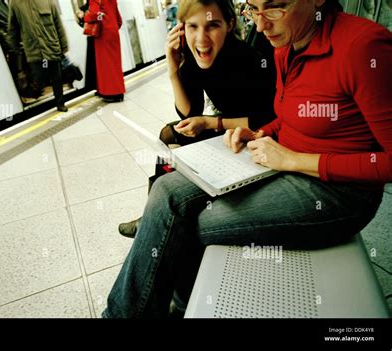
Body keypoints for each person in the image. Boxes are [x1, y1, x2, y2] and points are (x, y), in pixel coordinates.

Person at [103, 0, 392, 318]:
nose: (260, 24)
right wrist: (261, 133)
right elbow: (287, 118)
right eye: (252, 9)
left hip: (336, 193)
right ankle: (174, 307)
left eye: (275, 7)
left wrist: (294, 160)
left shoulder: (364, 47)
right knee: (166, 190)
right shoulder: (287, 42)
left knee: (182, 224)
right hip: (279, 166)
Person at [118, 0, 276, 237]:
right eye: (193, 26)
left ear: (229, 25)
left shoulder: (249, 59)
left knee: (176, 140)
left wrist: (212, 123)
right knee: (169, 134)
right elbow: (189, 113)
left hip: (254, 133)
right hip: (224, 127)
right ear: (182, 29)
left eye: (212, 26)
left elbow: (266, 117)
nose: (201, 39)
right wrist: (173, 70)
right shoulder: (195, 58)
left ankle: (158, 215)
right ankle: (152, 212)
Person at [8, 0, 69, 112]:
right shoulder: (15, 3)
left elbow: (58, 23)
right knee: (38, 80)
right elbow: (12, 27)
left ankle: (60, 103)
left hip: (51, 46)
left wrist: (64, 45)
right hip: (34, 49)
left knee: (57, 78)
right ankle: (33, 94)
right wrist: (15, 47)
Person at [84, 0, 125, 102]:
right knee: (115, 64)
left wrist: (85, 17)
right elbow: (119, 20)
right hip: (114, 33)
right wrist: (113, 27)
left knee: (106, 66)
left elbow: (95, 14)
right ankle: (119, 92)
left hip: (103, 34)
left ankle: (111, 94)